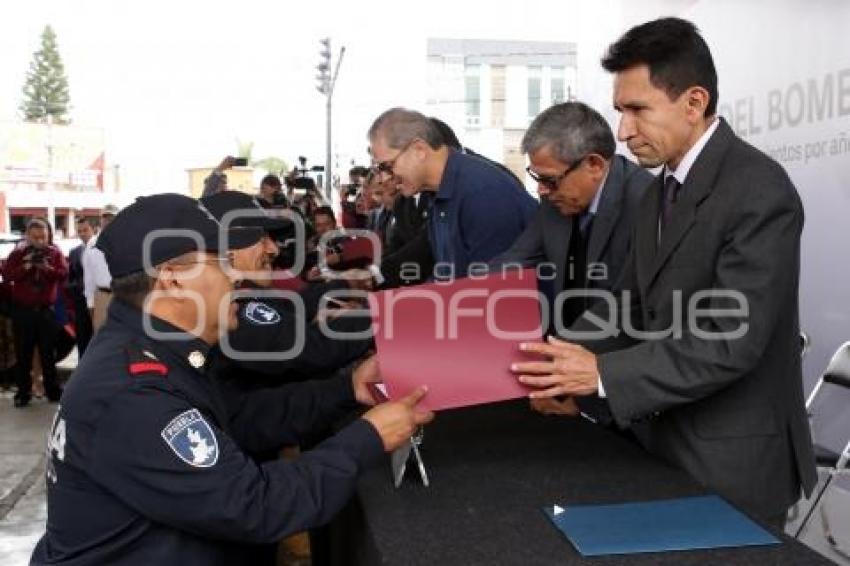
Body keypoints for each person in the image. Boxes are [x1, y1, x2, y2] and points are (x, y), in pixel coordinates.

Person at [511, 17, 816, 526]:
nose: (624, 131)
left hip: (732, 465)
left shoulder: (761, 190)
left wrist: (601, 373)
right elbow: (629, 304)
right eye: (619, 111)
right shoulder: (658, 190)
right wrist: (555, 357)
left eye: (637, 110)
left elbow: (730, 339)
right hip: (659, 445)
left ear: (694, 103)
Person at [31, 193, 433, 565]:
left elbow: (241, 420)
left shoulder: (151, 351)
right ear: (172, 278)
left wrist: (345, 389)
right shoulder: (133, 392)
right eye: (222, 263)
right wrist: (369, 437)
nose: (236, 278)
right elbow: (255, 507)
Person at [492, 101, 651, 330]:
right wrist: (444, 292)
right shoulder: (555, 199)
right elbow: (514, 260)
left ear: (594, 165)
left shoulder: (646, 203)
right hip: (566, 344)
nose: (542, 191)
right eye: (538, 179)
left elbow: (630, 307)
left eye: (550, 180)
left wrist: (568, 349)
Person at [368, 107, 537, 279]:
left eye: (387, 166)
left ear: (419, 150)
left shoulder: (482, 194)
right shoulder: (438, 194)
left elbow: (493, 290)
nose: (383, 178)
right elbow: (444, 276)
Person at [2, 218, 68, 406]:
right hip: (23, 312)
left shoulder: (55, 253)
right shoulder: (17, 253)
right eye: (36, 237)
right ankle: (23, 393)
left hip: (46, 312)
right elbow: (6, 276)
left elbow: (63, 274)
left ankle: (52, 391)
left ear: (48, 236)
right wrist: (26, 266)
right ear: (27, 236)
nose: (40, 241)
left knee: (49, 354)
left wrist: (47, 268)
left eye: (43, 237)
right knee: (23, 354)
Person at [83, 204, 118, 331]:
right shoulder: (92, 244)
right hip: (102, 297)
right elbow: (89, 279)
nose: (109, 221)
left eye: (112, 218)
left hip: (123, 297)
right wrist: (91, 305)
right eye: (106, 218)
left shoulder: (128, 241)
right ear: (101, 220)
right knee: (102, 342)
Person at [67, 216, 95, 355]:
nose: (82, 233)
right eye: (80, 231)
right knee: (82, 339)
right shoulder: (74, 252)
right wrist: (76, 288)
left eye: (85, 230)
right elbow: (70, 277)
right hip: (80, 303)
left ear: (93, 230)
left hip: (98, 301)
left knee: (98, 338)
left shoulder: (101, 249)